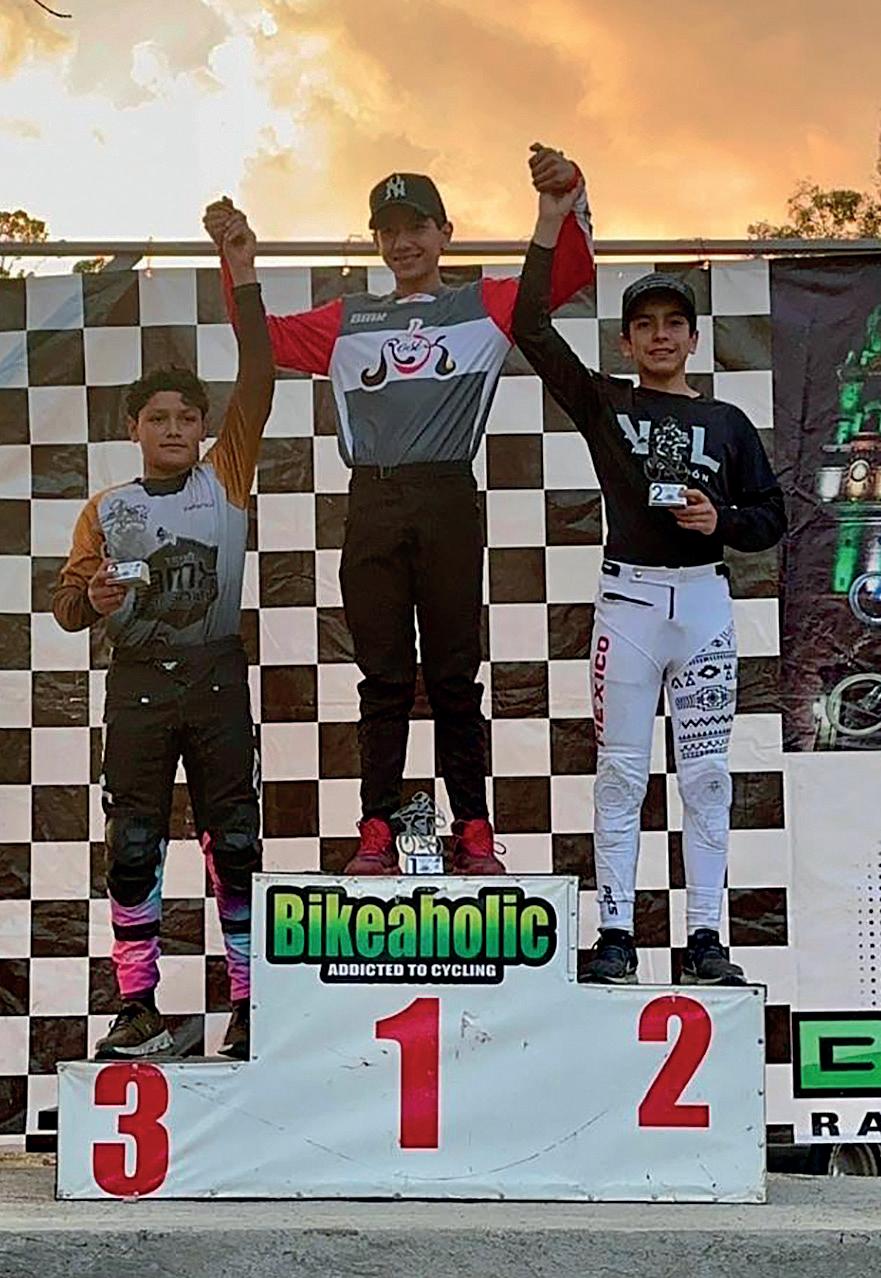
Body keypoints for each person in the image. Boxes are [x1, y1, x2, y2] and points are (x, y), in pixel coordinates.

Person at [203, 145, 594, 876]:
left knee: (453, 677)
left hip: (447, 497)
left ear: (445, 233)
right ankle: (376, 830)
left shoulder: (484, 304)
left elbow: (566, 278)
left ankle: (473, 830)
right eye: (388, 230)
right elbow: (263, 341)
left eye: (417, 227)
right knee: (382, 678)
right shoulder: (349, 317)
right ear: (376, 241)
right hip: (374, 502)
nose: (403, 242)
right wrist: (240, 264)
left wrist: (566, 198)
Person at [512, 184, 786, 985]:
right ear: (625, 341)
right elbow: (529, 328)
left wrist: (718, 519)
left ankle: (705, 939)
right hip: (628, 604)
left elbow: (770, 519)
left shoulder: (727, 423)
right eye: (644, 325)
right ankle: (615, 936)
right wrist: (549, 219)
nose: (659, 336)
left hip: (701, 602)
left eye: (672, 323)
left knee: (705, 776)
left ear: (694, 339)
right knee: (621, 774)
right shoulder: (605, 403)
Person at [52, 222, 274, 1059]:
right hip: (138, 683)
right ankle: (138, 1005)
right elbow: (66, 606)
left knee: (236, 845)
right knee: (133, 845)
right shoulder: (106, 509)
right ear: (134, 428)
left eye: (187, 418)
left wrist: (240, 268)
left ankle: (249, 1005)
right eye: (158, 418)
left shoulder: (227, 477)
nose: (174, 429)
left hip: (216, 679)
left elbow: (260, 374)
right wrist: (94, 598)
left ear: (206, 429)